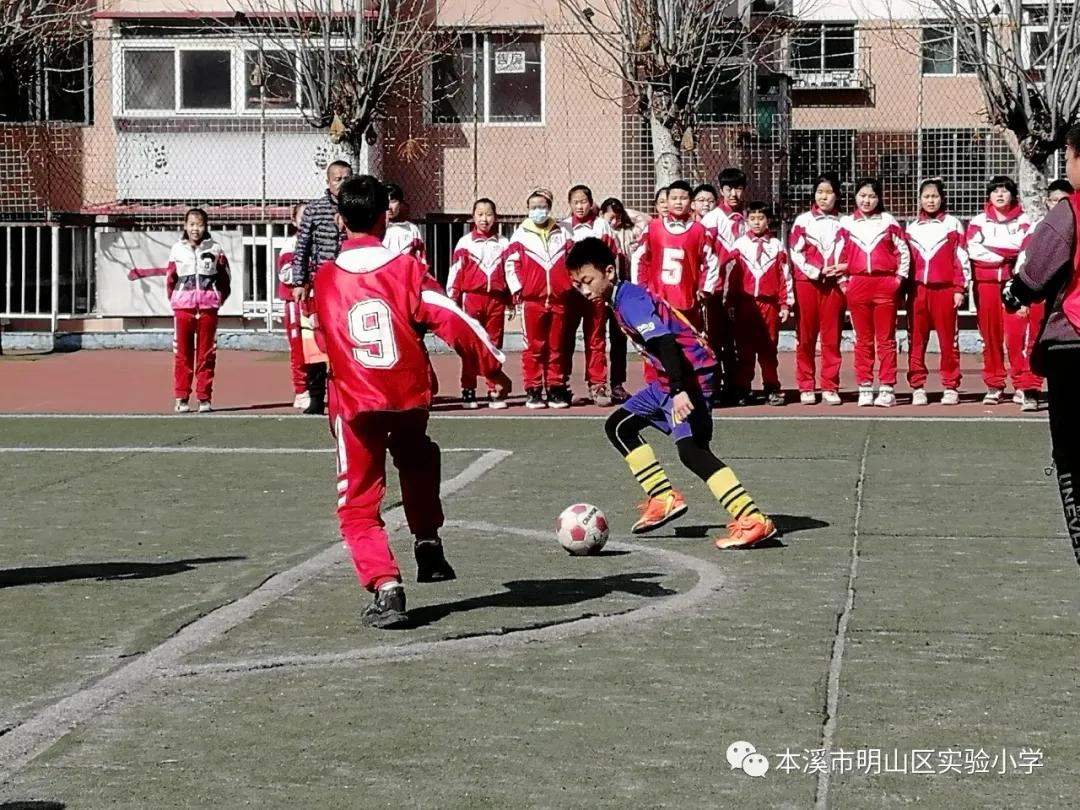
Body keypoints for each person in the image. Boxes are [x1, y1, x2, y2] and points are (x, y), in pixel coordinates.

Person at [312, 175, 512, 628]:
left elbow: (322, 337)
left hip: (355, 403)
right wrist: (491, 366)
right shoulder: (406, 270)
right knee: (418, 457)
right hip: (407, 393)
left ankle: (386, 587)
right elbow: (451, 318)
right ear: (387, 216)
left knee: (358, 505)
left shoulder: (326, 279)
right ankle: (428, 543)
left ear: (341, 221)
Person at [565, 237, 778, 550]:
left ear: (609, 272)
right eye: (577, 285)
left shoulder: (631, 300)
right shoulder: (620, 300)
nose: (584, 290)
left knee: (692, 452)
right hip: (668, 381)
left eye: (588, 281)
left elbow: (665, 343)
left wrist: (679, 391)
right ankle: (663, 497)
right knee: (620, 427)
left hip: (689, 379)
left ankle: (752, 518)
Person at [1002, 122, 1080, 568]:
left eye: (1069, 156)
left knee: (1071, 455)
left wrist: (1014, 291)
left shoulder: (1070, 210)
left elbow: (1034, 275)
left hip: (1073, 343)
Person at [836, 177, 910, 407]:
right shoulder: (847, 224)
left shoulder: (888, 221)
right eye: (862, 195)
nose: (866, 200)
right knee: (862, 340)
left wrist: (898, 280)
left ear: (879, 198)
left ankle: (887, 388)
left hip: (885, 285)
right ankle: (865, 386)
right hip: (858, 286)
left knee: (886, 340)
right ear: (855, 197)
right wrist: (844, 283)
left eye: (872, 196)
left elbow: (903, 253)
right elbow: (840, 256)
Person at [966, 175, 1036, 406]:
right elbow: (975, 252)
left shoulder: (1025, 221)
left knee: (1015, 339)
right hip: (984, 285)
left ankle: (1020, 385)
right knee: (990, 338)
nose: (999, 195)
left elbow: (1022, 250)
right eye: (995, 191)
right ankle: (994, 385)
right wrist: (1004, 255)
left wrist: (996, 252)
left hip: (1013, 287)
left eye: (1004, 191)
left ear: (1012, 195)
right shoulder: (978, 222)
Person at [291, 160, 353, 414]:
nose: (342, 182)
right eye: (337, 178)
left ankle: (348, 393)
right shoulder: (314, 209)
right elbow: (302, 247)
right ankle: (316, 395)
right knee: (315, 340)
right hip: (321, 281)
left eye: (347, 178)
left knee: (347, 339)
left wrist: (347, 226)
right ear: (328, 182)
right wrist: (299, 281)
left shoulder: (358, 209)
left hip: (349, 282)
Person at [504, 187, 574, 409]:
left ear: (550, 208)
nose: (538, 211)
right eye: (534, 207)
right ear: (527, 209)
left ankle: (555, 387)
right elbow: (510, 264)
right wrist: (518, 289)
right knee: (534, 347)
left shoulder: (563, 232)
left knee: (556, 346)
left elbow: (573, 263)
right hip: (532, 301)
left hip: (558, 299)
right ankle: (533, 389)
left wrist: (569, 285)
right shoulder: (520, 235)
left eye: (542, 207)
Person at [905, 179, 970, 406]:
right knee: (916, 340)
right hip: (917, 291)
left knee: (948, 341)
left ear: (942, 198)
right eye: (926, 197)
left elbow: (960, 258)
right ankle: (918, 386)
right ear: (920, 199)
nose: (930, 201)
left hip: (945, 290)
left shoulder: (952, 225)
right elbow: (906, 262)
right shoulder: (912, 228)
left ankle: (950, 386)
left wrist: (959, 288)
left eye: (934, 196)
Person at [446, 197, 511, 409]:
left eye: (489, 214)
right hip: (472, 298)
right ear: (473, 217)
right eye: (480, 214)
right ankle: (468, 389)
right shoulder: (465, 243)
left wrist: (511, 300)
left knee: (493, 345)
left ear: (496, 217)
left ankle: (494, 389)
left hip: (496, 300)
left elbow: (509, 274)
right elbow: (455, 271)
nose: (484, 219)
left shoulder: (503, 243)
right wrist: (453, 298)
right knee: (471, 346)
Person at [725, 202, 792, 406]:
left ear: (768, 220)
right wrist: (731, 303)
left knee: (768, 348)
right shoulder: (739, 246)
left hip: (768, 304)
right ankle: (744, 388)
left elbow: (784, 277)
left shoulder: (776, 246)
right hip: (746, 304)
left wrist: (785, 304)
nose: (756, 222)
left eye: (760, 218)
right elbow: (733, 277)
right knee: (744, 350)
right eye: (752, 219)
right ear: (746, 221)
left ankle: (772, 387)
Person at [631, 180, 719, 332]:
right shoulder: (653, 228)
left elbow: (711, 261)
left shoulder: (700, 231)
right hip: (657, 298)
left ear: (691, 202)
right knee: (660, 344)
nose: (678, 202)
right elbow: (639, 258)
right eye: (673, 198)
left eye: (683, 198)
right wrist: (641, 288)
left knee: (687, 344)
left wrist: (704, 289)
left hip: (686, 300)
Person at [789, 172, 846, 405]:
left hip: (834, 285)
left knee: (831, 337)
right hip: (808, 283)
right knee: (806, 336)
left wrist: (841, 269)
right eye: (820, 192)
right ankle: (806, 385)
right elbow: (796, 251)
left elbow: (849, 252)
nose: (824, 197)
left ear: (837, 195)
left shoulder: (845, 222)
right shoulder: (803, 221)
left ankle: (830, 385)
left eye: (829, 192)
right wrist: (817, 271)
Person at [166, 208, 231, 413]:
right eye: (192, 224)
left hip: (207, 309)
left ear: (206, 226)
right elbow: (170, 279)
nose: (196, 228)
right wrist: (177, 299)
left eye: (200, 224)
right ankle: (182, 397)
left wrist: (217, 299)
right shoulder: (177, 249)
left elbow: (225, 279)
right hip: (183, 309)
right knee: (182, 354)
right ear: (185, 226)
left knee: (206, 354)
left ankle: (204, 397)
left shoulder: (216, 249)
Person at [560, 184, 615, 406]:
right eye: (576, 202)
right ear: (570, 205)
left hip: (595, 294)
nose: (580, 206)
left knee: (596, 339)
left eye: (584, 201)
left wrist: (607, 287)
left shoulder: (602, 226)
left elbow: (612, 256)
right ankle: (562, 384)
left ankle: (598, 384)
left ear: (591, 203)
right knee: (565, 339)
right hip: (571, 294)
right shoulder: (563, 227)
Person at [701, 167, 749, 403]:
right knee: (716, 339)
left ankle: (738, 385)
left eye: (738, 188)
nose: (734, 194)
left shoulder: (752, 218)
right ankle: (715, 386)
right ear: (721, 190)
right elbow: (705, 254)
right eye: (729, 188)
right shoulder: (712, 219)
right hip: (718, 289)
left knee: (740, 339)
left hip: (745, 290)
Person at [600, 197, 649, 403]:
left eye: (618, 216)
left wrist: (626, 214)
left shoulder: (629, 232)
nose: (615, 221)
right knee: (597, 340)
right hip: (599, 293)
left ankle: (617, 384)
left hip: (620, 293)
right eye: (611, 216)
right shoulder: (598, 231)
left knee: (619, 340)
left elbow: (647, 221)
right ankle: (598, 384)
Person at [276, 202, 310, 410]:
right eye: (302, 217)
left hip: (316, 301)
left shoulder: (319, 241)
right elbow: (286, 274)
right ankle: (301, 390)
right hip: (295, 302)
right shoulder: (291, 245)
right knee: (299, 348)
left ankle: (319, 389)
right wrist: (306, 272)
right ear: (294, 221)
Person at [383, 182, 428, 269]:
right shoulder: (375, 229)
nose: (389, 206)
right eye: (386, 202)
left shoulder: (411, 229)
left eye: (393, 201)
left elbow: (421, 262)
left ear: (400, 203)